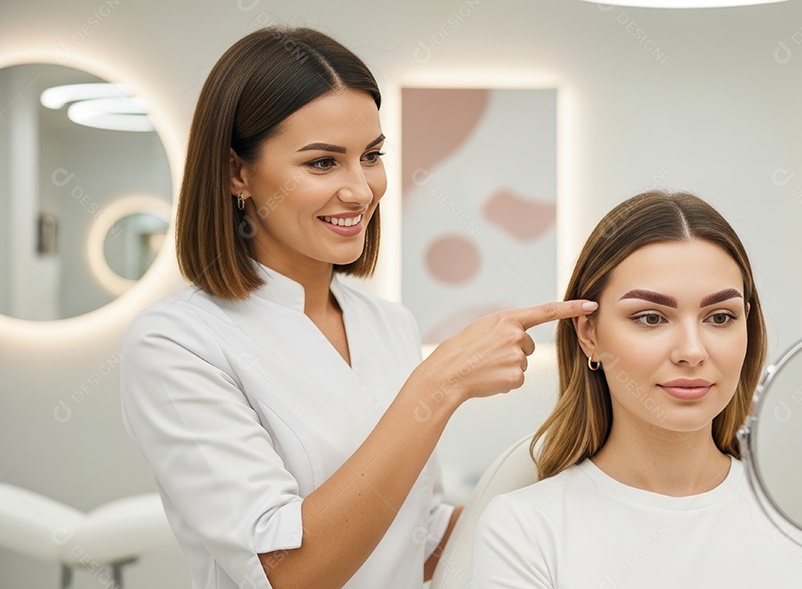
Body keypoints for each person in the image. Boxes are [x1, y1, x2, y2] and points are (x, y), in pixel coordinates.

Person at [119, 27, 595, 589]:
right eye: (323, 163)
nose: (361, 190)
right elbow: (286, 573)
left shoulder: (388, 324)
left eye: (371, 156)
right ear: (236, 173)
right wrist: (440, 384)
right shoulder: (178, 342)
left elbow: (417, 542)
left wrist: (585, 484)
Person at [472, 191, 802, 588]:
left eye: (719, 317)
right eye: (651, 318)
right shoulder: (523, 530)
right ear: (589, 334)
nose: (692, 351)